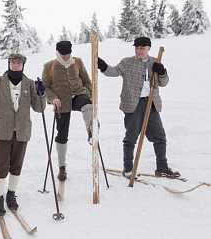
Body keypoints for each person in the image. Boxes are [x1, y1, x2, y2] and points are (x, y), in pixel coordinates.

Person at [98, 36, 180, 178]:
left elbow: (164, 82)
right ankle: (128, 169)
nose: (139, 51)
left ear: (148, 48)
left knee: (160, 137)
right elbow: (113, 72)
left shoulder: (155, 62)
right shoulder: (127, 62)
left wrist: (162, 72)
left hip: (151, 103)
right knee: (131, 137)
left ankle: (162, 167)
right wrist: (103, 66)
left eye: (142, 48)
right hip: (132, 104)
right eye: (137, 48)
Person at [0, 53, 46, 216]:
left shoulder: (29, 84)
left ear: (23, 65)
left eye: (19, 62)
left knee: (16, 165)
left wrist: (42, 93)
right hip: (3, 130)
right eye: (13, 62)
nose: (16, 65)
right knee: (1, 165)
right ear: (8, 64)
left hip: (22, 130)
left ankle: (10, 194)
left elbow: (39, 108)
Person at [42, 40, 93, 182]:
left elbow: (87, 81)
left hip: (78, 95)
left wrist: (89, 94)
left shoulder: (77, 62)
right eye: (62, 54)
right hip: (61, 102)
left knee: (86, 103)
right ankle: (62, 167)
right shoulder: (49, 66)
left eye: (68, 54)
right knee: (62, 134)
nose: (65, 57)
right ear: (57, 52)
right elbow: (46, 87)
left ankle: (92, 130)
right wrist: (53, 99)